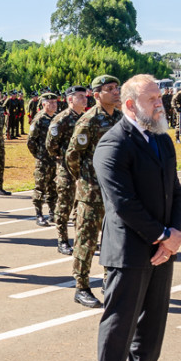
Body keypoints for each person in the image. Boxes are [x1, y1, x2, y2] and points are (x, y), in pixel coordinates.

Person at [91, 74, 181, 361]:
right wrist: (163, 235)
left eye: (160, 97)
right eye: (152, 99)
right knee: (121, 319)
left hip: (161, 245)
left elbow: (175, 190)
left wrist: (173, 234)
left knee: (154, 314)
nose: (160, 103)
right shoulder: (114, 144)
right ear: (130, 105)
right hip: (129, 248)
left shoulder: (161, 139)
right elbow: (123, 203)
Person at [66, 75, 122, 307]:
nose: (116, 92)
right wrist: (85, 180)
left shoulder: (121, 118)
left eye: (117, 88)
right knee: (86, 240)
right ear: (97, 95)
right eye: (109, 89)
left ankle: (109, 281)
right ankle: (81, 287)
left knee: (113, 239)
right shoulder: (88, 121)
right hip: (92, 192)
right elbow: (72, 156)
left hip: (116, 191)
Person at [45, 86, 87, 255]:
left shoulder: (86, 118)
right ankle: (62, 240)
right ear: (70, 100)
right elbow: (51, 145)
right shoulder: (60, 120)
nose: (85, 99)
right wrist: (62, 159)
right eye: (80, 97)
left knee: (81, 206)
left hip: (83, 170)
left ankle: (80, 238)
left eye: (85, 96)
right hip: (66, 170)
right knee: (64, 205)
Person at [27, 92, 59, 226]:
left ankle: (52, 213)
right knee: (40, 187)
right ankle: (39, 214)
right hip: (43, 159)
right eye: (50, 103)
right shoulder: (39, 119)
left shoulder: (57, 118)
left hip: (54, 159)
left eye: (55, 102)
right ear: (43, 104)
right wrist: (39, 155)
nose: (53, 105)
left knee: (53, 186)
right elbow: (31, 142)